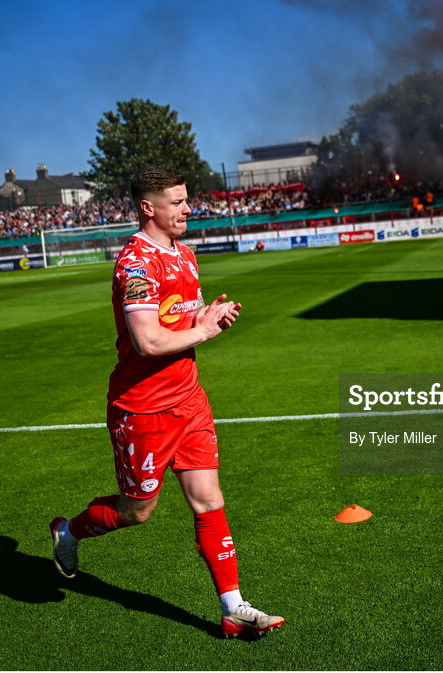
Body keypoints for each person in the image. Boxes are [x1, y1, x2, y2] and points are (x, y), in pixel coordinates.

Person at [48, 165, 284, 639]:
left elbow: (182, 317)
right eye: (176, 202)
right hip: (143, 409)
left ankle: (234, 608)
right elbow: (148, 342)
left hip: (189, 400)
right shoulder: (135, 263)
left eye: (185, 199)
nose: (187, 209)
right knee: (137, 512)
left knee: (208, 500)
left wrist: (207, 314)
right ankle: (68, 533)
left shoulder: (186, 255)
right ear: (147, 208)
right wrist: (202, 330)